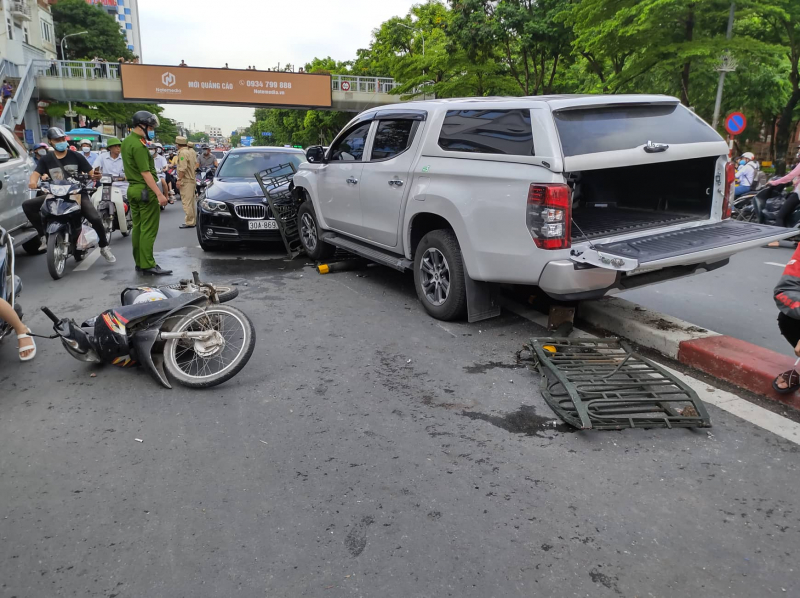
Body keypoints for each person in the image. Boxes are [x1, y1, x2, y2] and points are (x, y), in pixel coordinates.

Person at [24, 127, 116, 263]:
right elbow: (35, 174)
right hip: (55, 194)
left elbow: (91, 173)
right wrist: (32, 182)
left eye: (62, 139)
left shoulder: (76, 156)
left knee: (95, 218)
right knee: (28, 206)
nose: (61, 142)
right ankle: (43, 235)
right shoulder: (46, 159)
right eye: (57, 140)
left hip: (76, 194)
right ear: (50, 142)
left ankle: (104, 246)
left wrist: (96, 176)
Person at [121, 111, 171, 276]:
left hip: (133, 190)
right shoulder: (139, 145)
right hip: (144, 190)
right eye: (150, 127)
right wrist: (159, 194)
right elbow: (145, 173)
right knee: (148, 229)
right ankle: (148, 263)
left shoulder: (127, 142)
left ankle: (140, 263)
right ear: (142, 125)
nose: (151, 130)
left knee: (138, 228)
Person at [769, 161, 800, 228]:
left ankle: (779, 236)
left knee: (780, 216)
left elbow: (790, 176)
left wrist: (774, 182)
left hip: (798, 194)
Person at [175, 136, 197, 228]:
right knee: (190, 202)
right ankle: (192, 221)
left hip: (186, 180)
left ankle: (190, 222)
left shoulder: (183, 153)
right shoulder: (190, 152)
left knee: (186, 202)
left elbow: (182, 168)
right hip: (191, 179)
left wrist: (179, 180)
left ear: (177, 144)